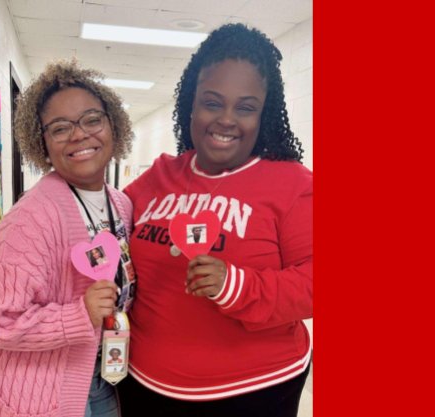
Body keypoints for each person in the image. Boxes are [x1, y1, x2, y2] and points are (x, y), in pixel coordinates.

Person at [118, 24, 313, 417]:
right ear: (191, 103)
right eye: (211, 102)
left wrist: (237, 284)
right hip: (142, 384)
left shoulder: (292, 184)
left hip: (252, 392)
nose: (226, 120)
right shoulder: (158, 176)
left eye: (245, 107)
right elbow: (111, 234)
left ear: (264, 113)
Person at [0, 58, 136, 417]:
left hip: (104, 375)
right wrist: (79, 314)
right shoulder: (31, 217)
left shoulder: (122, 205)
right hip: (37, 393)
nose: (80, 135)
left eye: (92, 119)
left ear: (113, 125)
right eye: (60, 128)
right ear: (42, 143)